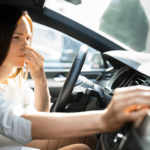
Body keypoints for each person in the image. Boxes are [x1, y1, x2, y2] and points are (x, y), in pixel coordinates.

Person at [0, 3, 150, 150]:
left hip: (20, 143)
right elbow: (20, 122)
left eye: (28, 38)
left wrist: (40, 78)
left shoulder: (15, 78)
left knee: (86, 138)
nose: (26, 45)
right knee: (80, 148)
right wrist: (105, 118)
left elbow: (39, 114)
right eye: (17, 37)